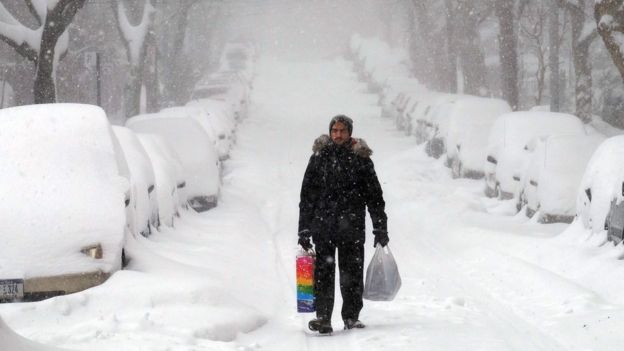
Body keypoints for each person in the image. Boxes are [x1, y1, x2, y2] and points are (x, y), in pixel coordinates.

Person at [297, 114, 389, 334]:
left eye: (342, 131)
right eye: (334, 131)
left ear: (349, 133)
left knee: (352, 275)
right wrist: (304, 228)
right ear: (330, 132)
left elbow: (374, 196)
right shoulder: (319, 157)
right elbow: (307, 196)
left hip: (352, 228)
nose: (338, 134)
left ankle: (351, 316)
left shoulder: (361, 159)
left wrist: (380, 226)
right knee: (323, 274)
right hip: (324, 227)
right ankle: (323, 318)